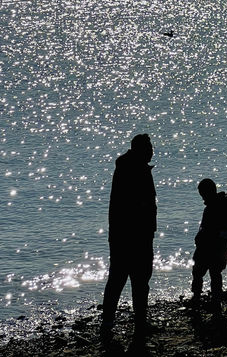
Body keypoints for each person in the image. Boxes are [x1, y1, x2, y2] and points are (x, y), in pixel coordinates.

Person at [101, 134, 157, 335]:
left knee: (127, 280)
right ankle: (123, 323)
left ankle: (121, 323)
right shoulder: (133, 170)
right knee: (128, 280)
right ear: (140, 150)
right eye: (149, 148)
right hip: (132, 236)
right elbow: (136, 206)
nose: (152, 151)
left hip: (128, 235)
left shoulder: (131, 167)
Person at [190, 178, 227, 308]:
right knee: (215, 273)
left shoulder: (213, 208)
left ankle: (197, 297)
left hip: (210, 245)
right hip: (224, 245)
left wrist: (199, 240)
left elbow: (208, 229)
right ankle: (216, 299)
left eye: (202, 194)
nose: (202, 198)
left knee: (198, 271)